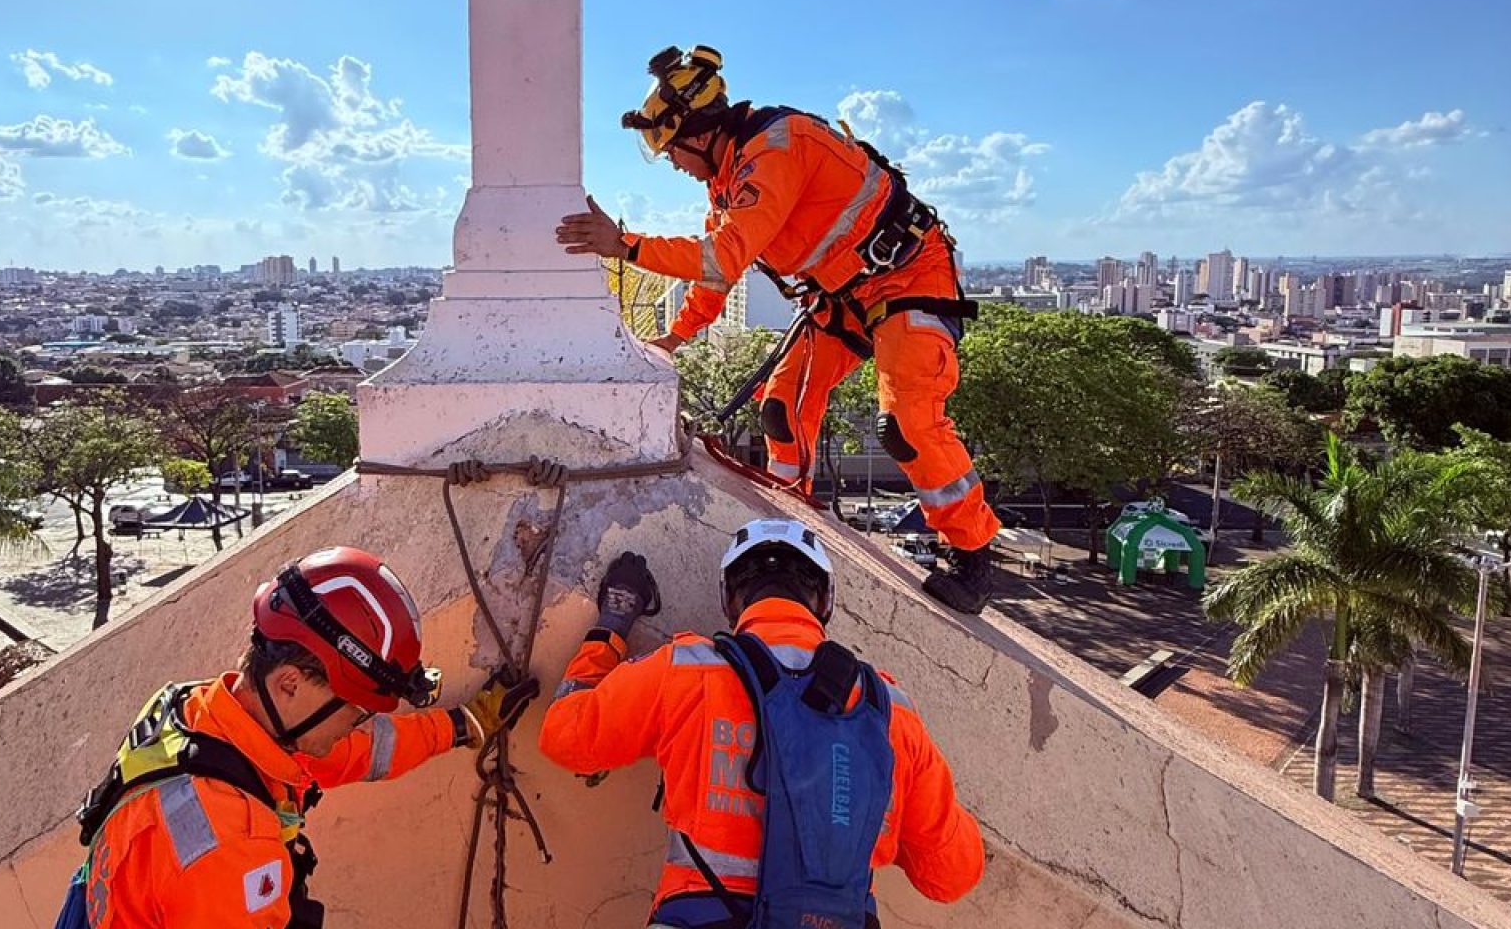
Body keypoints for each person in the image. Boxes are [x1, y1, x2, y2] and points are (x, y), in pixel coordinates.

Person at [556, 46, 1001, 614]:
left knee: (908, 423)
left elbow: (725, 257)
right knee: (781, 409)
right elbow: (715, 277)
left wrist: (625, 245)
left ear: (699, 133)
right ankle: (793, 509)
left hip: (907, 278)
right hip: (843, 295)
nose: (672, 164)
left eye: (672, 151)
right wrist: (673, 339)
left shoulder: (777, 148)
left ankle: (973, 553)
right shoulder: (729, 185)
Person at [61, 546, 537, 929]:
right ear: (290, 682)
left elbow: (357, 751)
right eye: (356, 710)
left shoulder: (201, 716)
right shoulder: (231, 849)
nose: (358, 725)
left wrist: (464, 725)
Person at [539, 521, 984, 927]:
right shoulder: (888, 710)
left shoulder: (686, 670)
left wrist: (611, 629)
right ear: (825, 601)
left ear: (730, 600)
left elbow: (565, 739)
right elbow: (953, 876)